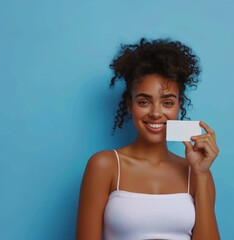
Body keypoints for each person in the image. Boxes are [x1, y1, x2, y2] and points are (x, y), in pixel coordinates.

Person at [76, 38, 220, 240]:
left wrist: (202, 174)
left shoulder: (196, 172)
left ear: (179, 105)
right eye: (144, 101)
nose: (155, 113)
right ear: (129, 104)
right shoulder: (105, 165)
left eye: (167, 102)